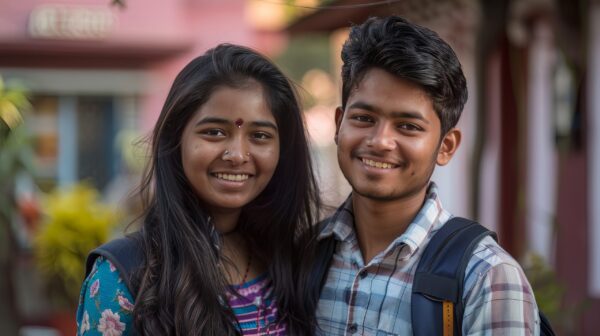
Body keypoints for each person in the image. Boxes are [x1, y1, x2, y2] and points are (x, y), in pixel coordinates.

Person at [311, 16, 540, 335]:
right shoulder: (306, 259)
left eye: (408, 126)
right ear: (339, 124)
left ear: (446, 146)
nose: (379, 141)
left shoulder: (486, 277)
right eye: (364, 118)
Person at [76, 44, 320, 335]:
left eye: (259, 135)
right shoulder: (121, 277)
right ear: (175, 139)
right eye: (215, 132)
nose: (237, 155)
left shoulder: (296, 266)